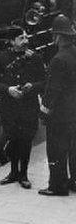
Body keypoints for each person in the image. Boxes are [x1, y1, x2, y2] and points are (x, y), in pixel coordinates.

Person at [0, 26, 46, 189]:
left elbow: (44, 82)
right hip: (9, 106)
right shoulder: (1, 58)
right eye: (21, 38)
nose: (26, 41)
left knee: (26, 140)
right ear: (12, 41)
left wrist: (31, 87)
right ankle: (13, 172)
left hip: (28, 106)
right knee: (12, 138)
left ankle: (24, 174)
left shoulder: (35, 58)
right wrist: (8, 90)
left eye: (26, 37)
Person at [39, 15, 76, 196]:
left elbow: (52, 90)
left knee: (56, 149)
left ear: (58, 37)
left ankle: (57, 186)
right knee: (73, 148)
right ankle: (74, 182)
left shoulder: (58, 59)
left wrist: (44, 112)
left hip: (60, 114)